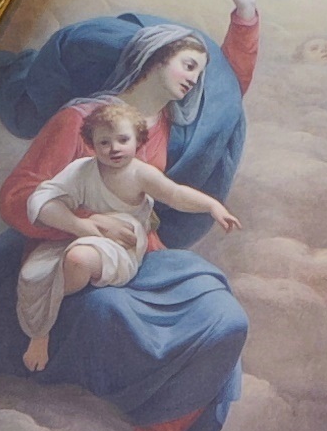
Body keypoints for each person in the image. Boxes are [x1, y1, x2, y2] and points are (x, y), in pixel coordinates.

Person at [0, 0, 258, 431]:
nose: (194, 81)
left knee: (225, 319)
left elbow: (228, 91)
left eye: (198, 73)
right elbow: (18, 197)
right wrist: (88, 225)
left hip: (145, 256)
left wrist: (246, 16)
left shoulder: (167, 129)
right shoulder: (79, 120)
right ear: (155, 58)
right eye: (187, 66)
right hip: (72, 254)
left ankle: (165, 422)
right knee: (109, 314)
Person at [14, 100, 236, 372]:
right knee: (33, 273)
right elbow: (40, 201)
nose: (114, 148)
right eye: (104, 142)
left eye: (122, 139)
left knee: (78, 259)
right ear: (92, 145)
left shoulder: (140, 173)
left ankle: (43, 330)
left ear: (138, 140)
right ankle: (42, 329)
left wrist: (212, 206)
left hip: (120, 245)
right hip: (79, 235)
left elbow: (176, 194)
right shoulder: (82, 170)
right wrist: (81, 225)